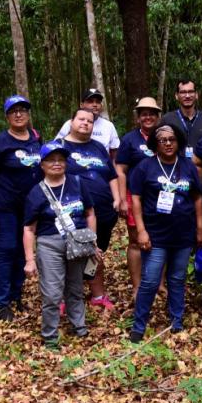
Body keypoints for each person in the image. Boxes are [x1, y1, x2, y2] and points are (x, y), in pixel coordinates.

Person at [128, 124, 202, 342]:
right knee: (150, 280)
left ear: (178, 142)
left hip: (183, 234)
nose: (168, 143)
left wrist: (200, 227)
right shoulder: (145, 167)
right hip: (155, 235)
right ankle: (138, 326)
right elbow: (136, 199)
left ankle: (176, 322)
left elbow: (197, 197)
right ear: (155, 143)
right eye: (163, 140)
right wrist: (141, 231)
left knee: (177, 279)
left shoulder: (188, 166)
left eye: (172, 139)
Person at [23, 142, 100, 349]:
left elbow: (90, 213)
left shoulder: (77, 182)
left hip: (78, 242)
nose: (56, 163)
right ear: (42, 164)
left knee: (75, 287)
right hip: (50, 244)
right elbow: (29, 228)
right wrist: (30, 259)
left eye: (60, 159)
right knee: (52, 292)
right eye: (51, 160)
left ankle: (79, 326)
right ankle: (50, 335)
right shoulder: (36, 192)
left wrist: (93, 241)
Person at [0, 95, 42, 321]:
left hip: (29, 208)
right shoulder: (0, 142)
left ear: (28, 114)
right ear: (7, 116)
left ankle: (17, 295)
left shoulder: (36, 139)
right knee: (7, 250)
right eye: (13, 111)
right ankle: (2, 303)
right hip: (5, 207)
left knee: (22, 253)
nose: (18, 114)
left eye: (22, 110)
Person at [60, 107, 119, 311]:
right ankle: (64, 297)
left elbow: (112, 175)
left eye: (90, 121)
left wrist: (117, 198)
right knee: (68, 255)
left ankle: (97, 294)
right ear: (71, 122)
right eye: (81, 119)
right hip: (73, 212)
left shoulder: (98, 147)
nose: (86, 123)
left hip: (103, 211)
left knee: (96, 252)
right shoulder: (60, 147)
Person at [117, 97, 163, 292]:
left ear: (158, 117)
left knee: (161, 239)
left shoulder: (165, 137)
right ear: (138, 118)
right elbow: (120, 170)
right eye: (144, 114)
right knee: (136, 241)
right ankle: (137, 285)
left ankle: (160, 283)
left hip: (162, 195)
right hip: (135, 195)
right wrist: (121, 199)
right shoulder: (130, 139)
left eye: (152, 114)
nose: (148, 117)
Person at [160, 78, 202, 163]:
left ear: (196, 95)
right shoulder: (167, 119)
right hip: (175, 168)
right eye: (183, 92)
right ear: (176, 96)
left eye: (190, 92)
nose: (187, 96)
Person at [56, 87, 120, 154]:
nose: (95, 105)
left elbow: (114, 152)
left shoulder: (109, 126)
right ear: (81, 105)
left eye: (98, 102)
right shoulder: (71, 123)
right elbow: (57, 146)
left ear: (101, 106)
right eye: (90, 101)